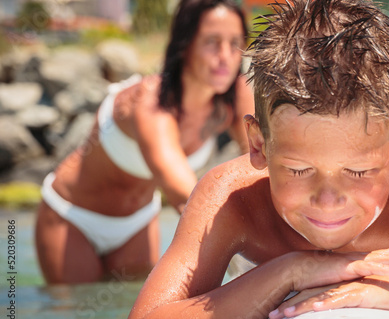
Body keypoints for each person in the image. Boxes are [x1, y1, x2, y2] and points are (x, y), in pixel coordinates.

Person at [124, 0, 389, 319]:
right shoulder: (232, 197)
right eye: (299, 170)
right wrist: (290, 271)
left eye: (359, 172)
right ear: (259, 145)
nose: (328, 199)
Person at [35, 0, 254, 284]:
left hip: (138, 222)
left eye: (235, 43)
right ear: (185, 44)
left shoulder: (234, 97)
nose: (225, 56)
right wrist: (240, 246)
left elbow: (261, 164)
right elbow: (180, 190)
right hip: (72, 217)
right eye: (212, 42)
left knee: (125, 315)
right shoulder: (149, 99)